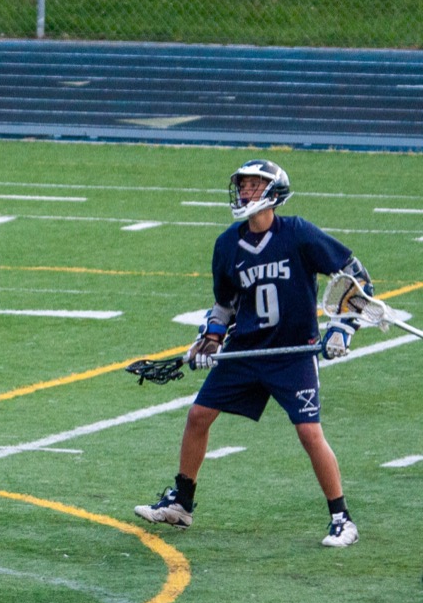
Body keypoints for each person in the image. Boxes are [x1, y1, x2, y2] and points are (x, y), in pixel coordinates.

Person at [134, 159, 372, 547]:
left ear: (273, 193)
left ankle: (342, 519)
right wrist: (209, 340)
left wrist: (342, 330)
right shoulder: (228, 244)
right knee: (198, 415)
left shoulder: (297, 234)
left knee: (309, 432)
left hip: (292, 355)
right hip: (245, 350)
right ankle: (182, 504)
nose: (245, 192)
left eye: (253, 186)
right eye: (242, 185)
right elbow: (224, 306)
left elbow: (355, 278)